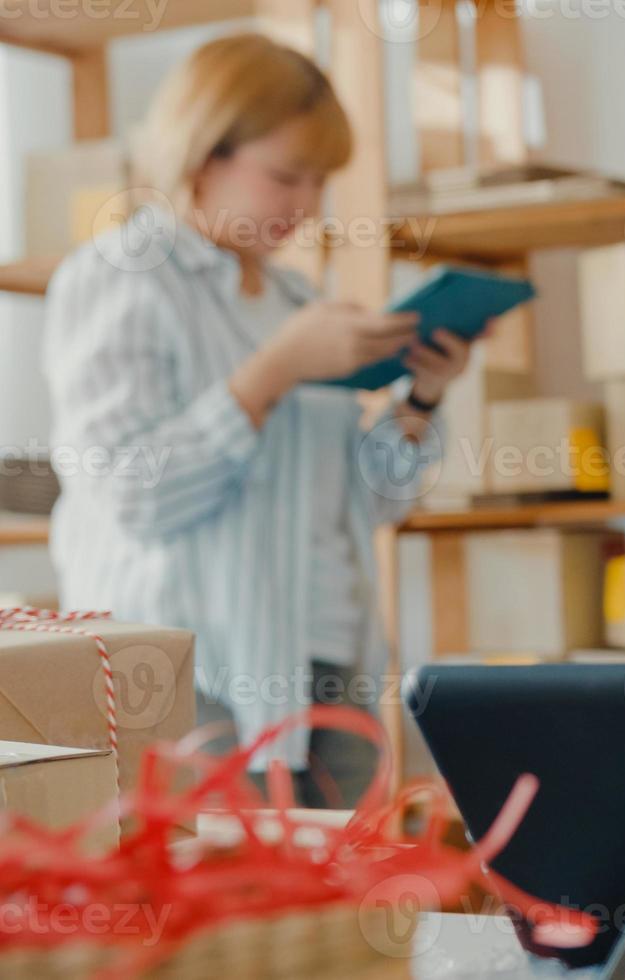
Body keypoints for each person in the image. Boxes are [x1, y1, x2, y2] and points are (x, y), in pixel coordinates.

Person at [42, 34, 473, 806]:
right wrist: (273, 372)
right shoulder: (118, 279)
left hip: (329, 666)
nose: (304, 205)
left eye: (318, 181)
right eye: (283, 176)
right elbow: (136, 497)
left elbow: (369, 505)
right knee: (213, 912)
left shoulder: (298, 304)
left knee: (326, 915)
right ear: (204, 154)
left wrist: (422, 402)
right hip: (190, 674)